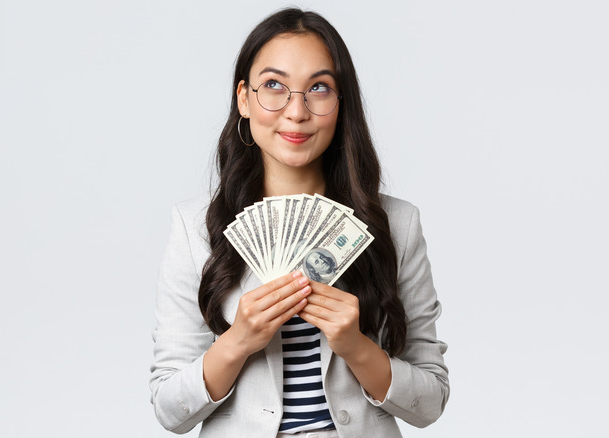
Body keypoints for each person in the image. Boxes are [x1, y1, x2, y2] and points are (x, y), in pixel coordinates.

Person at [150, 8, 449, 437]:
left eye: (319, 88)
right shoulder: (194, 227)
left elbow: (431, 402)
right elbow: (168, 409)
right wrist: (238, 341)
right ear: (244, 99)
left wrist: (357, 347)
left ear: (341, 103)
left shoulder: (396, 224)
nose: (296, 111)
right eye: (274, 85)